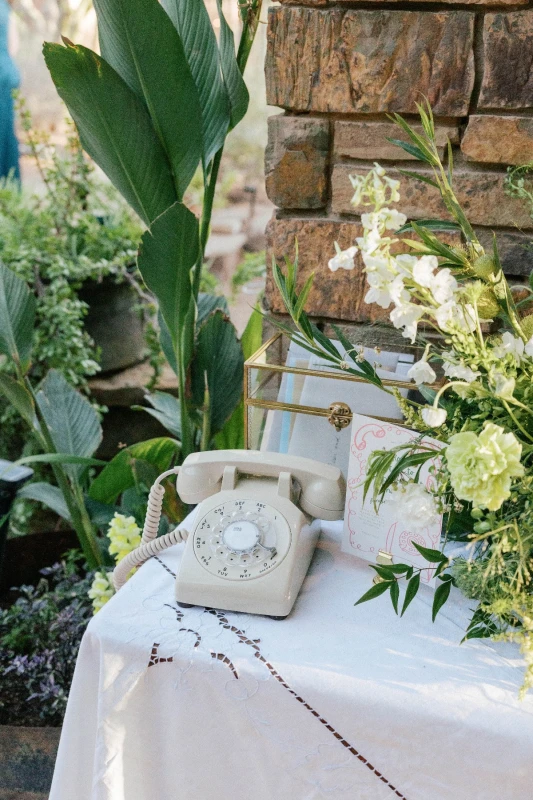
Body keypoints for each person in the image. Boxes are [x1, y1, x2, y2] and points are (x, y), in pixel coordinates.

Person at [0, 0, 19, 180]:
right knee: (6, 131)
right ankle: (9, 181)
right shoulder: (6, 8)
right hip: (7, 72)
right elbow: (13, 47)